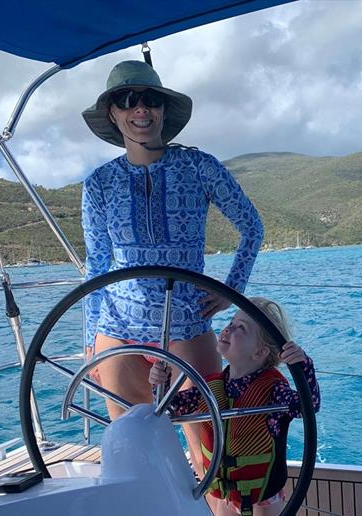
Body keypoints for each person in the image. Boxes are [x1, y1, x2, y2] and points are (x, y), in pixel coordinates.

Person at [80, 60, 264, 474]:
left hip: (186, 320)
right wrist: (90, 336)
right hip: (118, 328)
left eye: (150, 100)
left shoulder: (199, 167)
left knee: (212, 454)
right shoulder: (98, 183)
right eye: (127, 100)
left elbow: (252, 227)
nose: (140, 109)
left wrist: (229, 289)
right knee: (131, 447)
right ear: (113, 113)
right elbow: (96, 264)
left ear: (163, 110)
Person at [149, 297, 321, 516]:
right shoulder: (211, 387)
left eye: (241, 328)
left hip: (264, 501)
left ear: (260, 353)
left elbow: (308, 407)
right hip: (225, 498)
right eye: (230, 322)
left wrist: (304, 367)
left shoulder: (273, 391)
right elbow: (171, 408)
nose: (228, 329)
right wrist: (161, 382)